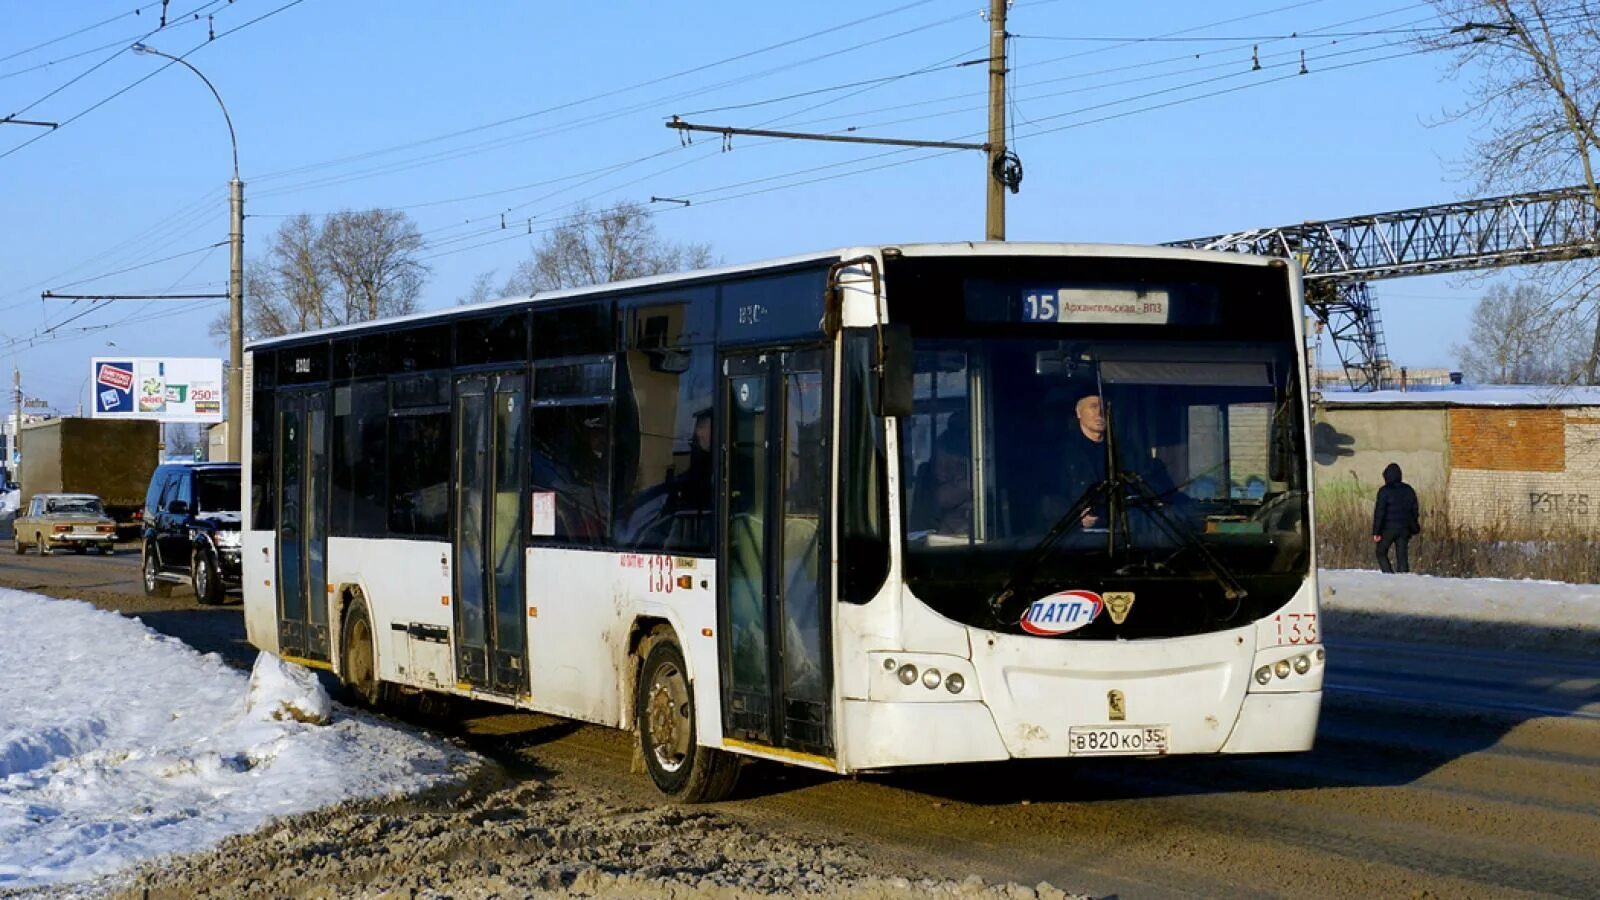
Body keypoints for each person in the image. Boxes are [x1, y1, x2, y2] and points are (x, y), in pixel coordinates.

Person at [1372, 462, 1421, 573]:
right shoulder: (1409, 490)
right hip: (1404, 529)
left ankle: (1389, 575)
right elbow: (1415, 509)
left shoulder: (1384, 491)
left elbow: (1380, 512)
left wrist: (1377, 532)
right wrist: (1412, 525)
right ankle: (1402, 580)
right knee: (1402, 557)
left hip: (1388, 529)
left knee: (1381, 552)